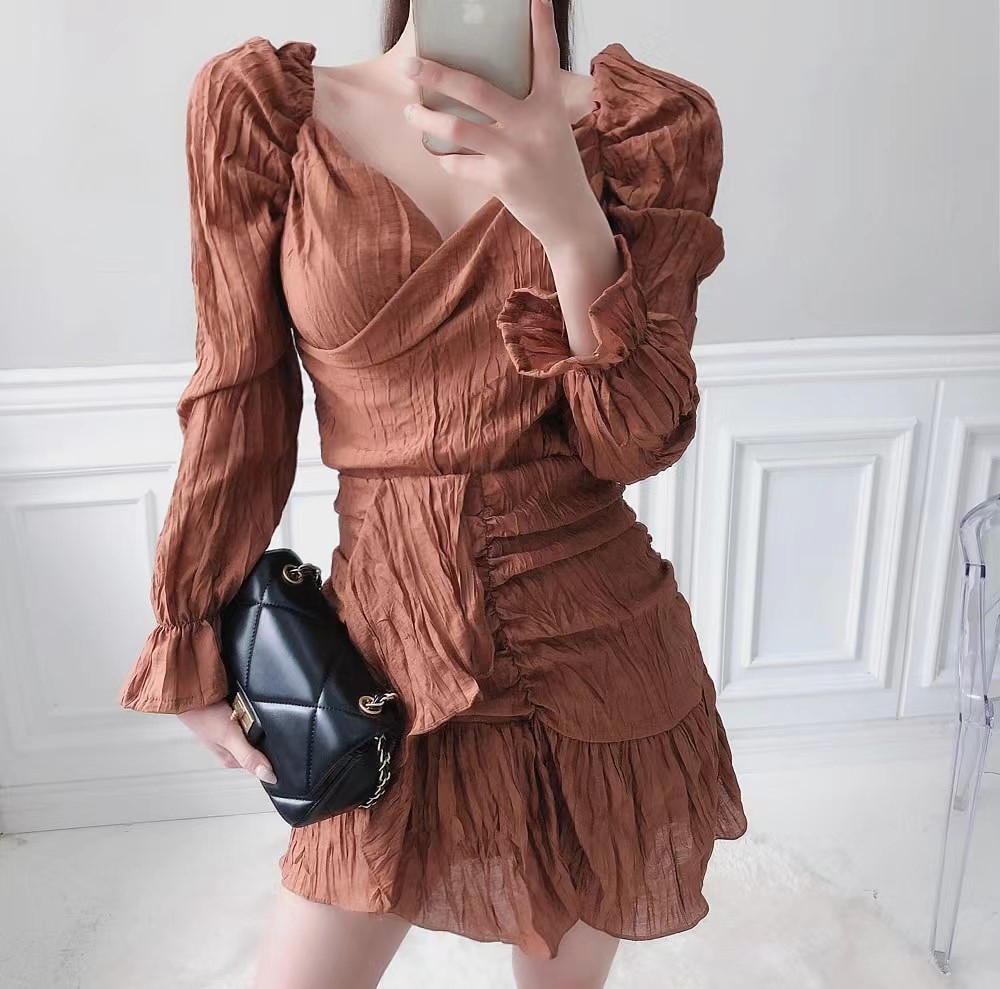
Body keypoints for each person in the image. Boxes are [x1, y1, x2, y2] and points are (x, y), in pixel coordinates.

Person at [117, 1, 748, 986]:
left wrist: (571, 223)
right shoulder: (268, 115)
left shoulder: (648, 132)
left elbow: (631, 440)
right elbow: (237, 396)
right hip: (384, 655)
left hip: (599, 658)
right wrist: (190, 628)